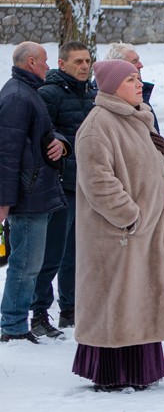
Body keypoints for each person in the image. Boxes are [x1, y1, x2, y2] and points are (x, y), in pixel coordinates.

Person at [71, 59, 164, 391]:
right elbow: (99, 183)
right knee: (115, 306)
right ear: (112, 87)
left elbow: (154, 174)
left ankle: (139, 370)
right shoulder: (97, 126)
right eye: (131, 79)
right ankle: (111, 373)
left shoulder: (137, 121)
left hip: (143, 235)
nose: (138, 84)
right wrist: (131, 218)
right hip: (116, 237)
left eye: (138, 78)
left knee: (138, 304)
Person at [0, 42, 69, 344]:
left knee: (30, 264)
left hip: (36, 192)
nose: (48, 66)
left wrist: (60, 142)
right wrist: (4, 200)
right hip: (28, 196)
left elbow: (45, 132)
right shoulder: (17, 96)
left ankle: (16, 322)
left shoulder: (28, 92)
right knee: (24, 265)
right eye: (44, 61)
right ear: (30, 62)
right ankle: (13, 326)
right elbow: (7, 152)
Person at [31, 41, 94, 338]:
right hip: (61, 185)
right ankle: (39, 312)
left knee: (78, 253)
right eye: (78, 61)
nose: (84, 66)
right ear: (62, 64)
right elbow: (42, 130)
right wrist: (58, 140)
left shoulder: (93, 94)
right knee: (52, 253)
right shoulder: (49, 94)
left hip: (89, 185)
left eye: (87, 61)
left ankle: (71, 309)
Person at [107, 43, 158, 130]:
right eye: (134, 61)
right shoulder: (104, 100)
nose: (141, 65)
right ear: (118, 66)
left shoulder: (140, 94)